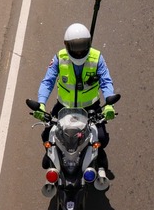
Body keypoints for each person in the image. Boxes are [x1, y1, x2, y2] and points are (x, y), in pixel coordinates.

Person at [36, 23, 117, 177]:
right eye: (75, 47)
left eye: (82, 47)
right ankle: (51, 154)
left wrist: (109, 105)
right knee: (46, 135)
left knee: (101, 138)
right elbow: (48, 82)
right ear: (66, 45)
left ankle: (99, 157)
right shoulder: (59, 58)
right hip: (63, 107)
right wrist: (41, 104)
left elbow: (106, 82)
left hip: (90, 108)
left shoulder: (97, 58)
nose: (79, 51)